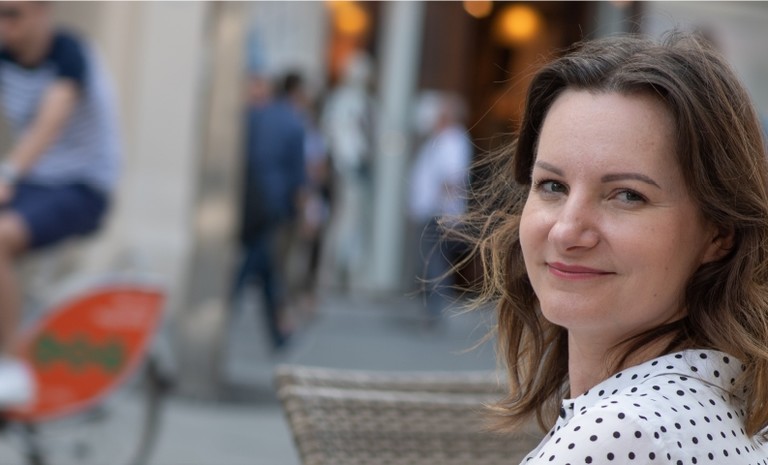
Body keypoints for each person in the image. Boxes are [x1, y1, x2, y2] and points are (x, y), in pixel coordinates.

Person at [460, 32, 768, 463]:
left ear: (720, 233)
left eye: (627, 195)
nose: (567, 231)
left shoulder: (623, 434)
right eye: (552, 185)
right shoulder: (724, 403)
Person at [0, 2, 119, 405]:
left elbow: (49, 124)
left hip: (82, 187)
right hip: (35, 185)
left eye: (13, 14)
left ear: (42, 11)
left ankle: (12, 366)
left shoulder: (70, 54)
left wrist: (8, 174)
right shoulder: (6, 57)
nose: (4, 26)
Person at [232, 71, 306, 351]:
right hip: (274, 205)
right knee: (258, 265)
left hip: (251, 200)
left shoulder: (256, 116)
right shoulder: (294, 123)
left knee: (264, 268)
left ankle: (278, 334)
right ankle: (219, 310)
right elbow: (298, 177)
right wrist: (302, 215)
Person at [408, 91, 472, 324]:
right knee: (431, 260)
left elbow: (451, 180)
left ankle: (435, 311)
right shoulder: (441, 139)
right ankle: (432, 310)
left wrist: (445, 209)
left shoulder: (453, 140)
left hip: (439, 213)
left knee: (433, 261)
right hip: (433, 211)